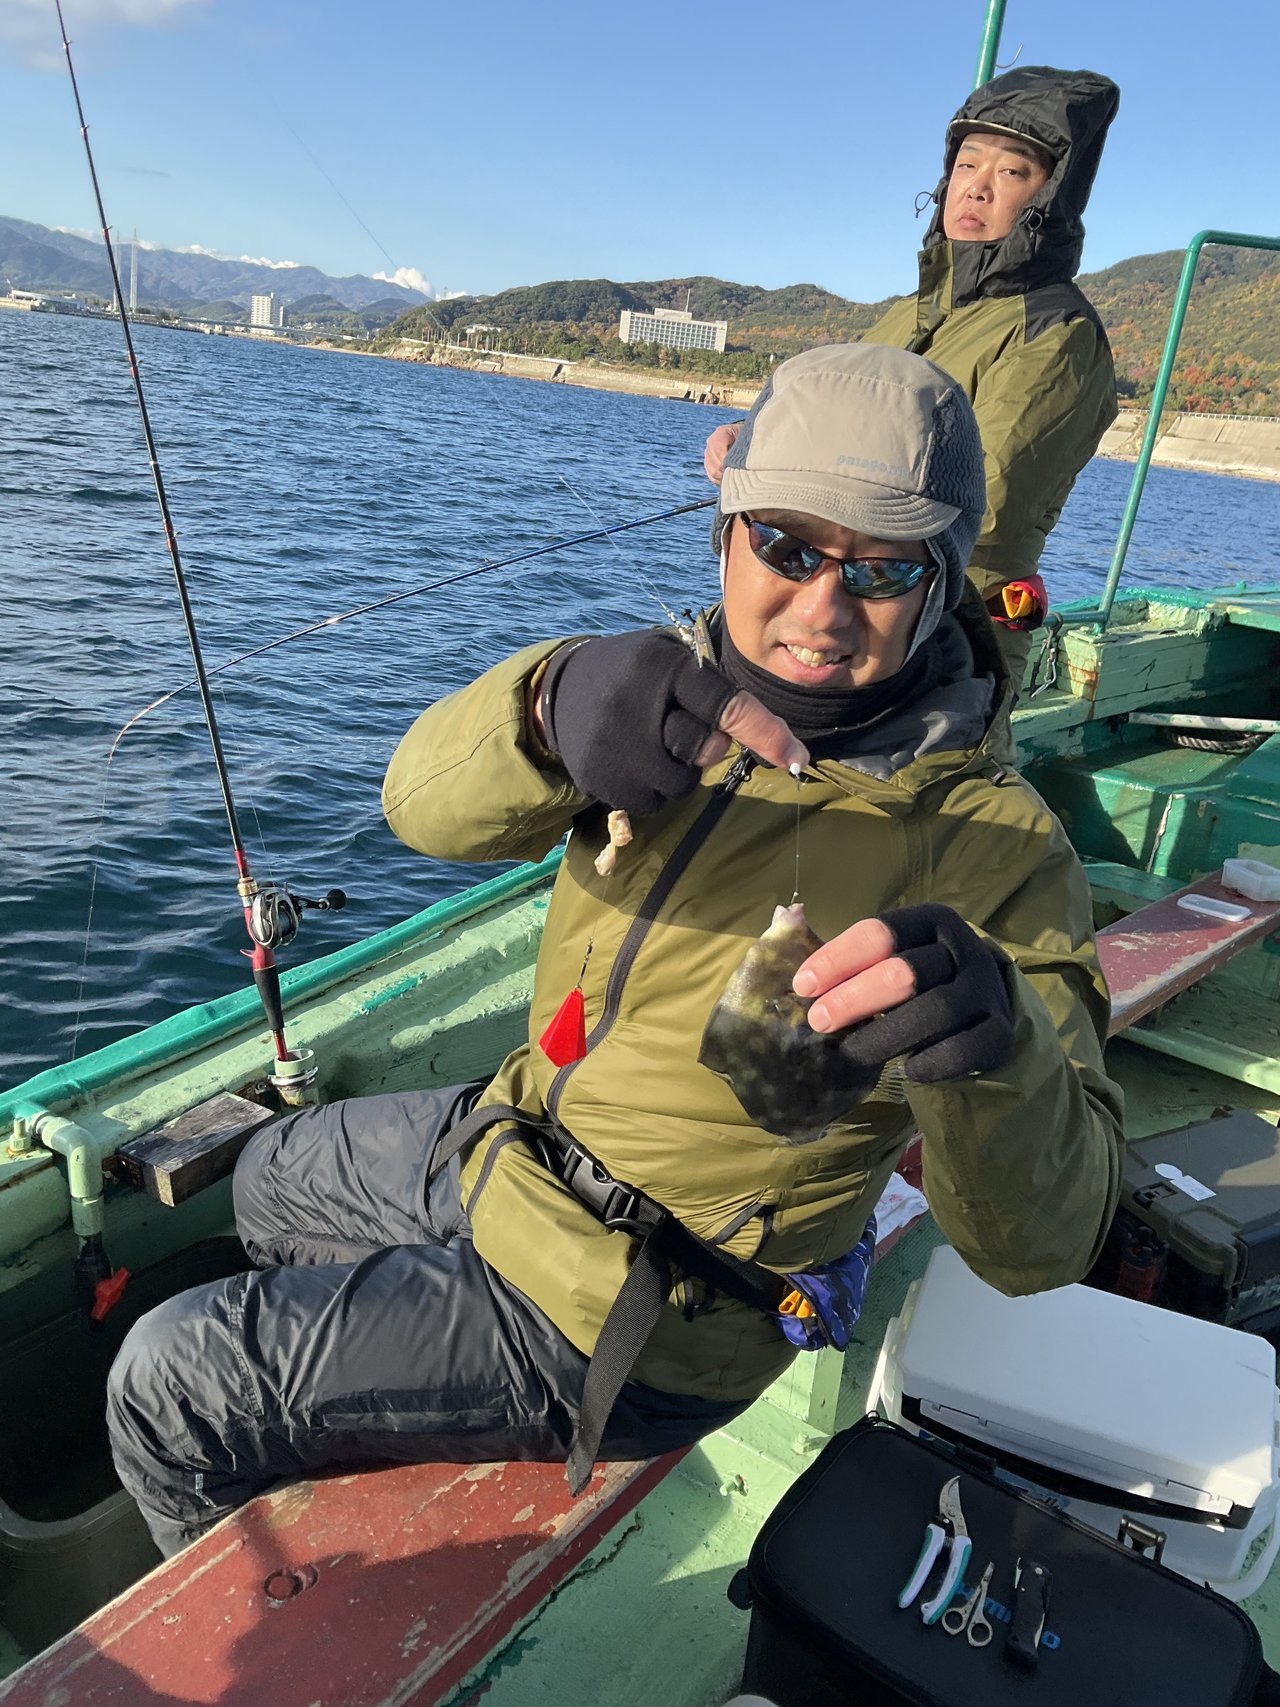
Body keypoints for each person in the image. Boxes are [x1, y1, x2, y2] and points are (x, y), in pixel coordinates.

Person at [107, 344, 1123, 1558]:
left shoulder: (997, 848)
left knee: (168, 1382)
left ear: (938, 580)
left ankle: (261, 1602)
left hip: (652, 1307)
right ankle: (342, 1423)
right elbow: (417, 812)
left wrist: (993, 1053)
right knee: (269, 1173)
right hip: (516, 1141)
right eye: (786, 548)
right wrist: (543, 708)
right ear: (726, 529)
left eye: (881, 569)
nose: (820, 608)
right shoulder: (656, 693)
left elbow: (1042, 1246)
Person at [706, 66, 1121, 702]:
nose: (977, 187)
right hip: (828, 609)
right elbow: (828, 418)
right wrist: (755, 444)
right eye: (967, 165)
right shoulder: (907, 313)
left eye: (1011, 172)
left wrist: (800, 504)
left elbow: (987, 507)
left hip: (947, 636)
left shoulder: (1059, 334)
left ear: (1050, 197)